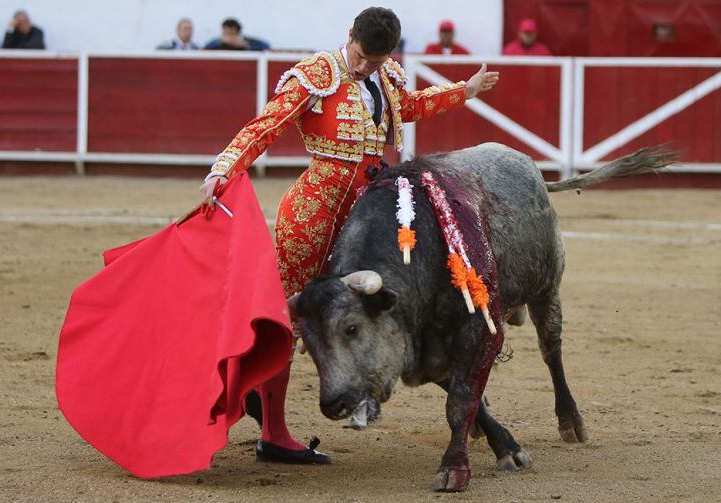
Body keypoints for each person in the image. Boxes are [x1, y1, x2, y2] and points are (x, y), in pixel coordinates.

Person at [198, 7, 499, 463]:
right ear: (350, 36)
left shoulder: (386, 76)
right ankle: (271, 431)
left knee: (363, 312)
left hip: (368, 217)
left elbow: (410, 106)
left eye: (375, 61)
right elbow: (268, 125)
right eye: (360, 56)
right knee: (285, 320)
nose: (364, 68)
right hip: (313, 216)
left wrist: (464, 91)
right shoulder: (317, 75)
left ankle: (356, 395)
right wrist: (224, 168)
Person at [204, 18, 270, 51]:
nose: (228, 37)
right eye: (225, 33)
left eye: (230, 33)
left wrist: (247, 46)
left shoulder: (248, 42)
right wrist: (220, 43)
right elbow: (204, 50)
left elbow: (266, 46)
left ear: (238, 32)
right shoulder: (217, 42)